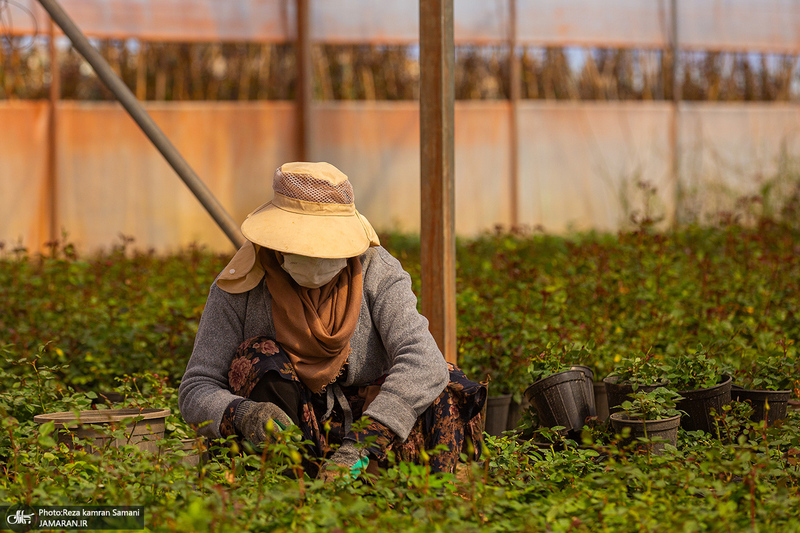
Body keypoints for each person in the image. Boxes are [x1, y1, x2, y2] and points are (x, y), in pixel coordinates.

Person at [178, 161, 486, 479]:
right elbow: (196, 387)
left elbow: (423, 361)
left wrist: (362, 446)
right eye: (301, 246)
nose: (315, 257)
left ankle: (419, 504)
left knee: (443, 384)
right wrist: (243, 413)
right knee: (259, 355)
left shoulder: (377, 271)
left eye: (327, 248)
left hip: (370, 435)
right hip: (287, 436)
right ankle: (288, 494)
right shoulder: (240, 283)